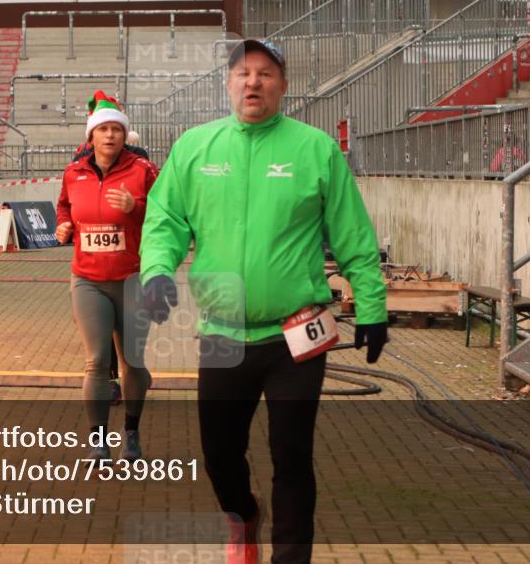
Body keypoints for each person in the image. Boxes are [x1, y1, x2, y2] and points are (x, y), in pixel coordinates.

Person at [139, 40, 388, 563]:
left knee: (291, 455)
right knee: (219, 454)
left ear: (283, 85)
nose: (253, 81)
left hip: (296, 334)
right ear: (228, 83)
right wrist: (157, 272)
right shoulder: (195, 147)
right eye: (244, 72)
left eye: (266, 73)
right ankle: (244, 515)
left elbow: (352, 235)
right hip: (223, 334)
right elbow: (164, 221)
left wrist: (372, 306)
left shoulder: (315, 149)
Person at [55, 91, 158, 460]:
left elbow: (166, 213)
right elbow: (64, 206)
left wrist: (137, 207)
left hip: (131, 279)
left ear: (124, 134)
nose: (110, 135)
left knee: (132, 362)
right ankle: (98, 440)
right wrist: (64, 225)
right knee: (97, 361)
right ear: (91, 136)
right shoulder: (74, 172)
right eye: (103, 129)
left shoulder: (143, 170)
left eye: (116, 129)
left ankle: (131, 431)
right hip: (87, 280)